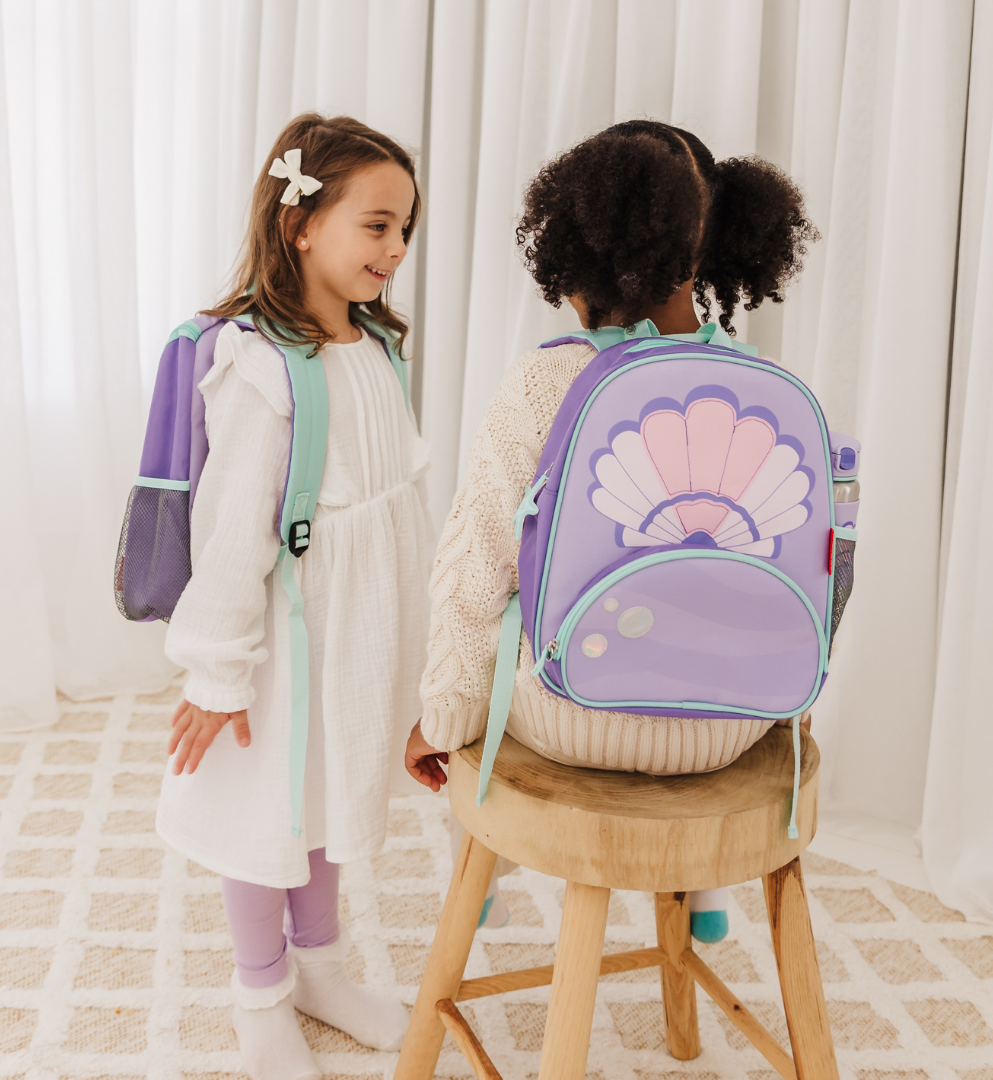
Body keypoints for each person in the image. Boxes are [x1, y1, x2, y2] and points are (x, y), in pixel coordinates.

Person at [405, 119, 818, 940]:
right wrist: (785, 715)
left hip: (575, 714)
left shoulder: (544, 382)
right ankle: (701, 888)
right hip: (732, 727)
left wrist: (443, 722)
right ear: (708, 249)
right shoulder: (766, 385)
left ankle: (483, 875)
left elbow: (477, 569)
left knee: (495, 635)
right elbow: (817, 573)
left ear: (575, 247)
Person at [156, 113, 434, 1080]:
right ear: (301, 223)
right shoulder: (260, 365)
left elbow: (399, 503)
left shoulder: (378, 347)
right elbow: (233, 533)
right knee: (264, 818)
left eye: (406, 228)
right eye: (377, 225)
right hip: (286, 634)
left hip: (359, 629)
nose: (396, 248)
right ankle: (260, 996)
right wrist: (217, 672)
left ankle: (319, 971)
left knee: (326, 799)